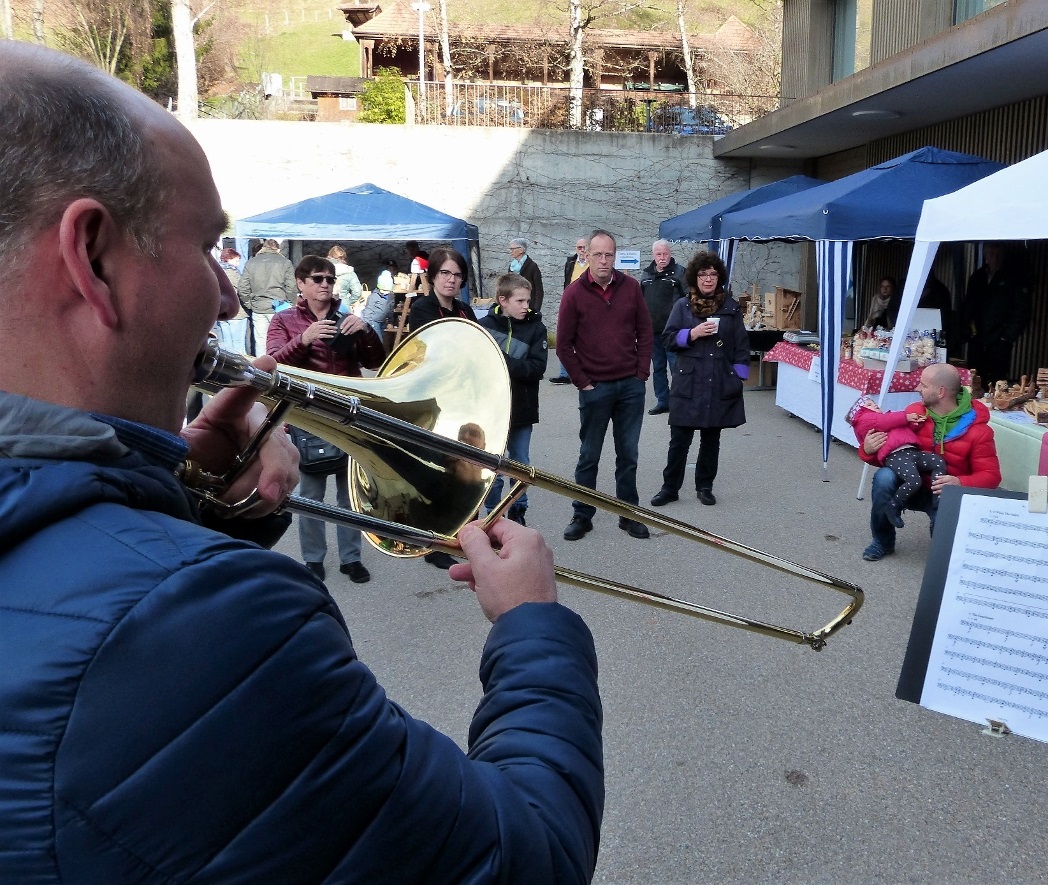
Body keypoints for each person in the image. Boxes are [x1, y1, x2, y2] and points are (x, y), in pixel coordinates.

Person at [0, 44, 603, 884]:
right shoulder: (208, 620)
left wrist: (195, 508)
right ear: (92, 256)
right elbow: (527, 858)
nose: (225, 295)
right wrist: (534, 626)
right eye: (207, 245)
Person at [268, 255, 387, 583]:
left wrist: (366, 331)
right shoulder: (284, 320)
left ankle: (351, 558)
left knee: (350, 495)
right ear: (300, 283)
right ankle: (313, 559)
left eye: (330, 279)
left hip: (347, 415)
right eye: (317, 278)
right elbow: (273, 363)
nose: (325, 285)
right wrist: (303, 339)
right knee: (311, 496)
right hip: (307, 417)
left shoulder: (345, 317)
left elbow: (375, 362)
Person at [556, 229, 654, 541]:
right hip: (595, 388)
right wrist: (582, 382)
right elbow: (563, 345)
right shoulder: (574, 293)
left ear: (615, 256)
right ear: (586, 256)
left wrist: (641, 373)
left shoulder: (631, 288)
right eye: (597, 254)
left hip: (629, 387)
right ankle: (582, 516)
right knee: (589, 456)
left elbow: (645, 332)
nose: (602, 260)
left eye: (608, 255)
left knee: (628, 456)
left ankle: (629, 515)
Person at [859, 363, 1001, 561]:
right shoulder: (914, 412)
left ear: (941, 392)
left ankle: (945, 547)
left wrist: (960, 482)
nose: (917, 388)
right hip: (910, 486)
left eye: (923, 385)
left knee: (943, 557)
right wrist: (868, 451)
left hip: (945, 493)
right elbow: (894, 454)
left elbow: (992, 477)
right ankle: (882, 541)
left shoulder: (980, 431)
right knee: (884, 477)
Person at [649, 251, 748, 508]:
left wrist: (738, 377)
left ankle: (705, 487)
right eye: (703, 274)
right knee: (679, 440)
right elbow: (668, 339)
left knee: (711, 440)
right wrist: (692, 333)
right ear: (695, 277)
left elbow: (741, 345)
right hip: (688, 382)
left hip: (718, 381)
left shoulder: (730, 307)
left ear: (719, 277)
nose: (708, 279)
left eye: (713, 274)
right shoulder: (682, 306)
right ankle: (670, 488)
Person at [407, 246, 480, 568]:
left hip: (463, 397)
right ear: (433, 276)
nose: (451, 280)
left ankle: (469, 536)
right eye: (445, 273)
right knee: (439, 472)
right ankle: (436, 545)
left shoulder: (465, 310)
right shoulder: (422, 309)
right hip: (436, 400)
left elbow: (477, 349)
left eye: (457, 275)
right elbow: (436, 352)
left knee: (468, 470)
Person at [479, 273, 548, 525]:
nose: (525, 306)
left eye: (527, 300)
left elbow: (536, 369)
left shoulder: (536, 328)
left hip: (521, 409)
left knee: (519, 463)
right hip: (491, 410)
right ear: (503, 300)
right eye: (519, 301)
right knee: (492, 466)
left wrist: (503, 361)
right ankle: (493, 513)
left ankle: (518, 510)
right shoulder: (484, 326)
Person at [847, 395, 947, 529]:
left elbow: (903, 429)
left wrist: (914, 423)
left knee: (937, 462)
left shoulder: (888, 420)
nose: (875, 405)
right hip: (896, 455)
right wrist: (906, 417)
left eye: (874, 403)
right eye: (869, 405)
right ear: (859, 413)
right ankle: (894, 505)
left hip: (912, 451)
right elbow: (884, 421)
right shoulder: (865, 420)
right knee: (913, 481)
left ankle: (937, 498)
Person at [964, 242, 1035, 388]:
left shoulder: (1013, 278)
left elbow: (1022, 311)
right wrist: (968, 330)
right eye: (991, 254)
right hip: (977, 339)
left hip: (999, 341)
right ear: (985, 255)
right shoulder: (977, 277)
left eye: (998, 254)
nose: (995, 258)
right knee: (974, 379)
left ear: (1003, 255)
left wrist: (1006, 337)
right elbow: (967, 306)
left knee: (997, 382)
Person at [640, 238, 688, 415]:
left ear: (670, 254)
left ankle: (680, 401)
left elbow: (689, 299)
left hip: (674, 331)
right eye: (658, 254)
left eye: (665, 254)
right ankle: (663, 401)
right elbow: (640, 302)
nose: (662, 257)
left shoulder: (680, 273)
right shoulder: (646, 275)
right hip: (653, 331)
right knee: (658, 368)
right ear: (653, 255)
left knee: (677, 367)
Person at [237, 237, 297, 356]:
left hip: (259, 307)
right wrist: (291, 303)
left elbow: (242, 287)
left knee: (261, 342)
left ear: (263, 248)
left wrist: (249, 303)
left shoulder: (251, 262)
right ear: (277, 249)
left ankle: (262, 366)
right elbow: (291, 287)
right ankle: (278, 365)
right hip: (279, 307)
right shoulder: (285, 262)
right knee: (280, 341)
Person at [550, 237, 589, 384]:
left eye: (584, 247)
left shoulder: (593, 263)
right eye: (579, 247)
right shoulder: (571, 263)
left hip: (588, 305)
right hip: (571, 303)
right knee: (564, 336)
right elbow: (567, 282)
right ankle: (564, 374)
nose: (582, 250)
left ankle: (587, 371)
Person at [509, 236, 545, 314]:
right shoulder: (512, 266)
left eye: (513, 249)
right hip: (514, 305)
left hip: (528, 306)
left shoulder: (532, 266)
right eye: (510, 249)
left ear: (521, 250)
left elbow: (539, 290)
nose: (510, 251)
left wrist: (536, 310)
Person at [326, 244, 363, 312]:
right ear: (343, 258)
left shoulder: (322, 270)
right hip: (343, 307)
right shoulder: (349, 272)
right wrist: (348, 301)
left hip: (325, 306)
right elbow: (357, 292)